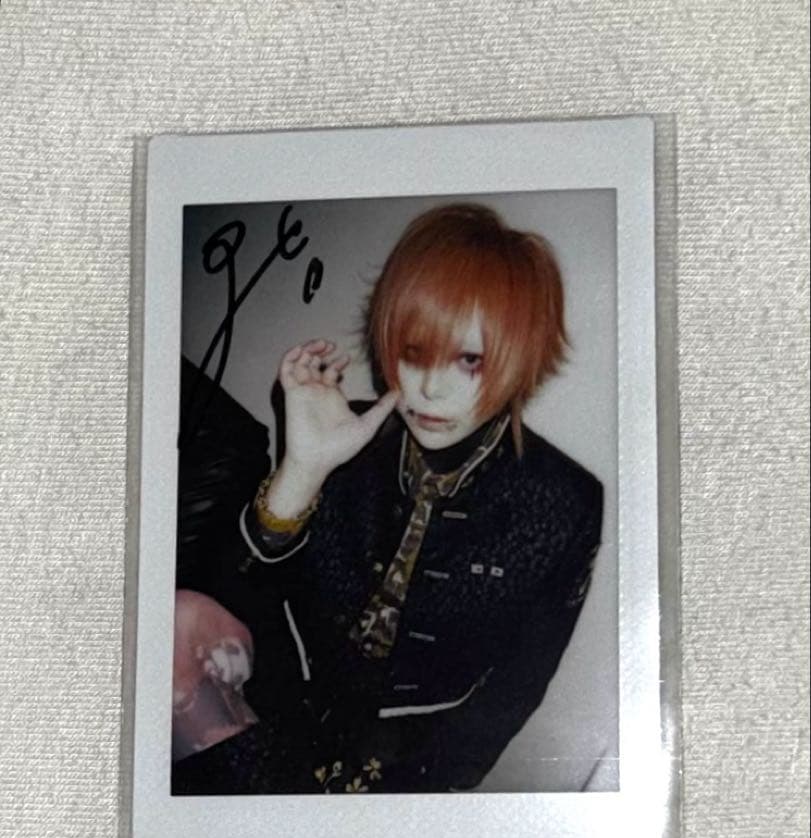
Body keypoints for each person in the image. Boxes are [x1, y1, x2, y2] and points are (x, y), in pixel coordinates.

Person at [172, 202, 603, 795]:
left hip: (402, 762)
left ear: (519, 356)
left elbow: (512, 693)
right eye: (414, 351)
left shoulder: (565, 502)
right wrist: (303, 468)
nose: (428, 388)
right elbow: (227, 595)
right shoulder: (342, 429)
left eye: (469, 360)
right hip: (281, 703)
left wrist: (414, 789)